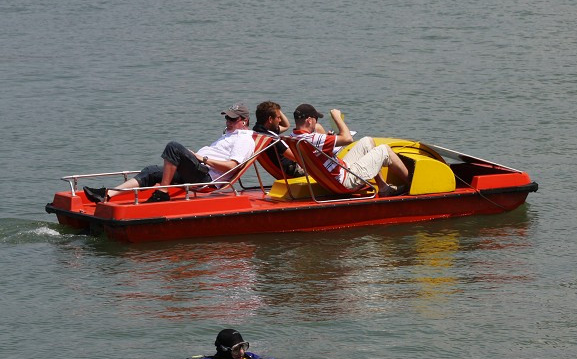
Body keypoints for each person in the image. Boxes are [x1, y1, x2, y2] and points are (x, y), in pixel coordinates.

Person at [83, 103, 257, 204]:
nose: (228, 121)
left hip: (207, 178)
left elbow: (233, 166)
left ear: (244, 121)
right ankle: (106, 195)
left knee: (173, 147)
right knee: (151, 171)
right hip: (199, 170)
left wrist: (201, 157)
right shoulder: (230, 134)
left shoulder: (244, 139)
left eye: (232, 119)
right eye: (227, 118)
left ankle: (163, 191)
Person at [289, 104, 410, 196]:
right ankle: (413, 186)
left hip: (333, 177)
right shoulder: (312, 138)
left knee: (367, 141)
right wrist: (337, 118)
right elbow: (348, 139)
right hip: (344, 181)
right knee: (385, 150)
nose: (316, 123)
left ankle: (383, 187)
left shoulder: (293, 137)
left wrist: (329, 138)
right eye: (316, 119)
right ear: (309, 120)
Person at [189, 328, 287, 359]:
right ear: (224, 350)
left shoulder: (249, 356)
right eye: (236, 349)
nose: (241, 352)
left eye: (243, 347)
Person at [252, 100, 303, 179]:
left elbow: (286, 126)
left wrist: (276, 109)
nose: (280, 120)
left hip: (280, 171)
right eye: (278, 118)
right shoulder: (273, 139)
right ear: (270, 119)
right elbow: (297, 157)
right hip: (295, 171)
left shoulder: (257, 132)